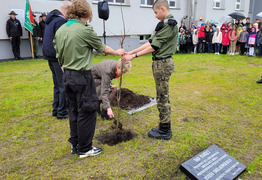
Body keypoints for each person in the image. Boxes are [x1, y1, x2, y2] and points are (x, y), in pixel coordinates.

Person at [54, 0, 125, 158]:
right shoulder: (84, 30)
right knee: (87, 111)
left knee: (74, 111)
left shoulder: (61, 29)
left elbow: (56, 49)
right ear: (85, 14)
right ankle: (85, 149)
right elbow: (101, 47)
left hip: (67, 76)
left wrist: (63, 64)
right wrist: (117, 51)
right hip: (82, 77)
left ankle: (75, 144)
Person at [122, 0, 178, 140]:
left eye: (155, 12)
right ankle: (163, 126)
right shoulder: (164, 24)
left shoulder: (169, 24)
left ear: (163, 9)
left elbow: (154, 47)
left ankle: (165, 130)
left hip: (163, 63)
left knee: (162, 96)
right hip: (160, 63)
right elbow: (150, 42)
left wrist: (134, 56)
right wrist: (131, 52)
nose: (154, 15)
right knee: (161, 95)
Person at [42, 1, 71, 119]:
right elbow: (61, 42)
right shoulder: (60, 21)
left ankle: (56, 108)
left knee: (57, 85)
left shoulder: (52, 19)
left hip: (49, 55)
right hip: (56, 57)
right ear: (67, 11)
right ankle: (62, 112)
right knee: (63, 85)